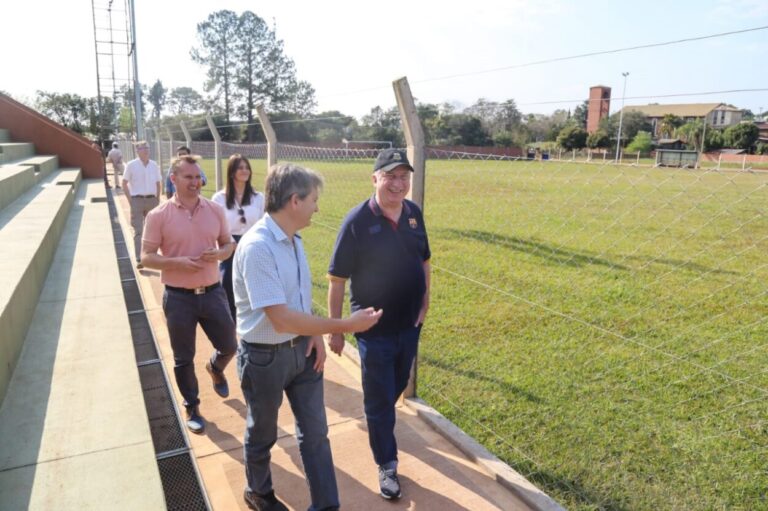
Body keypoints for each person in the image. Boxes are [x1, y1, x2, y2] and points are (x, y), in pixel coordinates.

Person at [233, 163, 382, 511]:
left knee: (316, 434)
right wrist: (344, 325)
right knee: (263, 433)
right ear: (295, 201)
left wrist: (314, 336)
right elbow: (281, 318)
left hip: (302, 351)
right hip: (265, 358)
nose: (318, 206)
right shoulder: (258, 248)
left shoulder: (293, 240)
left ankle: (327, 506)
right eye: (314, 199)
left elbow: (298, 299)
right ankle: (258, 491)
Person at [326, 148, 431, 500]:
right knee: (380, 402)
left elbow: (425, 261)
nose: (398, 183)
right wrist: (337, 329)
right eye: (390, 176)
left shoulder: (413, 214)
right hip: (372, 331)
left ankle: (379, 423)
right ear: (375, 178)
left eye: (404, 176)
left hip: (409, 326)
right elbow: (337, 279)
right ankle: (387, 463)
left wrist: (425, 302)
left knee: (394, 389)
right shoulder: (356, 221)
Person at [141, 154, 237, 435]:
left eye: (198, 177)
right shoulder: (159, 216)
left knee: (230, 345)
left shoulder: (215, 210)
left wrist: (220, 253)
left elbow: (228, 243)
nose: (196, 183)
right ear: (174, 179)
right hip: (179, 297)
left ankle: (215, 368)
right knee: (183, 357)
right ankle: (192, 405)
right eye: (188, 177)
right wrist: (177, 263)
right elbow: (145, 257)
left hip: (212, 292)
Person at [212, 154, 264, 320]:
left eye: (247, 167)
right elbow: (216, 226)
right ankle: (228, 337)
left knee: (253, 292)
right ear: (232, 172)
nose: (245, 171)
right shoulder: (219, 198)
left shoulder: (258, 198)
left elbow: (263, 223)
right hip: (229, 248)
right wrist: (231, 243)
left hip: (253, 247)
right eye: (240, 168)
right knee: (228, 290)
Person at [123, 141, 162, 268]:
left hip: (152, 201)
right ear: (137, 151)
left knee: (153, 230)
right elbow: (124, 183)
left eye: (147, 148)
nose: (146, 150)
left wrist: (157, 199)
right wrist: (131, 200)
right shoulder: (131, 165)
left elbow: (158, 183)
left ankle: (152, 257)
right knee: (139, 230)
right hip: (137, 201)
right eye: (143, 148)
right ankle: (140, 259)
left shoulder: (154, 165)